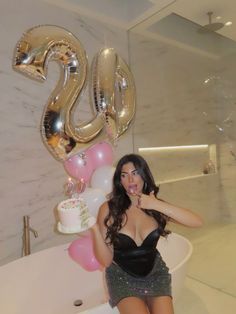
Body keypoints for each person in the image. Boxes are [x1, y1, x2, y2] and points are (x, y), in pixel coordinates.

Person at [91, 154, 203, 314]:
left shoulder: (155, 206)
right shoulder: (109, 209)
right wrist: (94, 229)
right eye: (124, 175)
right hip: (122, 278)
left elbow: (197, 222)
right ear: (119, 180)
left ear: (144, 175)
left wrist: (157, 204)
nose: (130, 180)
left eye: (135, 173)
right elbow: (107, 261)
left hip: (155, 273)